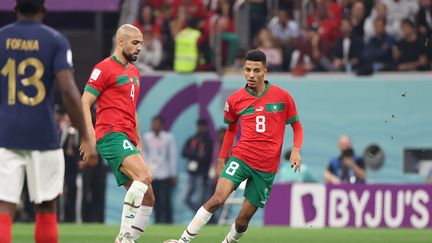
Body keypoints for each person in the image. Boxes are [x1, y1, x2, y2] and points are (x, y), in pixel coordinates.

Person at [165, 49, 304, 243]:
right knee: (217, 199)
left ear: (265, 71)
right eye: (247, 70)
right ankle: (182, 241)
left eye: (256, 70)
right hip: (241, 157)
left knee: (242, 221)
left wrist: (296, 149)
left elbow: (297, 126)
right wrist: (222, 158)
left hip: (266, 168)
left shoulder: (282, 97)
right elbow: (230, 131)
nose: (251, 75)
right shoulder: (235, 99)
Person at [0, 1, 98, 243]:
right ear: (43, 10)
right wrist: (86, 135)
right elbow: (67, 90)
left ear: (16, 9)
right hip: (43, 134)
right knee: (45, 208)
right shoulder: (55, 40)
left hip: (5, 133)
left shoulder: (1, 37)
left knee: (3, 208)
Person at [81, 24, 155, 243]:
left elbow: (131, 109)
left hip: (127, 137)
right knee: (145, 176)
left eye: (141, 43)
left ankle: (129, 239)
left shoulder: (134, 72)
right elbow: (84, 102)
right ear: (120, 42)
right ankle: (123, 237)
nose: (140, 48)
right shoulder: (104, 68)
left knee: (149, 198)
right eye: (135, 42)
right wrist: (89, 137)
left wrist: (138, 139)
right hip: (111, 134)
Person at [143, 115, 177, 223]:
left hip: (165, 173)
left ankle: (168, 221)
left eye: (158, 123)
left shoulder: (168, 137)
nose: (156, 125)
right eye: (154, 123)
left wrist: (173, 173)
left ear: (162, 125)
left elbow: (172, 155)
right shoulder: (147, 137)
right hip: (152, 173)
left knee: (166, 199)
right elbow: (144, 154)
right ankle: (157, 221)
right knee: (154, 199)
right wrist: (144, 171)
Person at [182, 118, 214, 213]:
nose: (200, 128)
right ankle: (199, 215)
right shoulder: (192, 139)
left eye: (202, 126)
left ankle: (201, 218)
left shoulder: (208, 141)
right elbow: (184, 152)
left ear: (206, 127)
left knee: (200, 200)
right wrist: (196, 155)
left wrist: (207, 175)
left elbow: (207, 158)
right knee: (185, 198)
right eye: (199, 126)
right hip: (191, 173)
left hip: (201, 173)